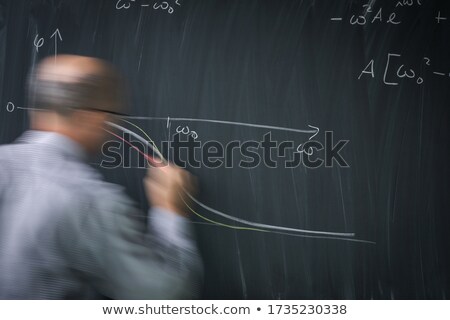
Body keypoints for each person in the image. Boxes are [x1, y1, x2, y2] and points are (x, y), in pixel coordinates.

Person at [0, 55, 202, 299]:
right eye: (113, 114)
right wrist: (170, 212)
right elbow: (163, 297)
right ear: (92, 117)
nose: (115, 124)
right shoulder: (89, 201)